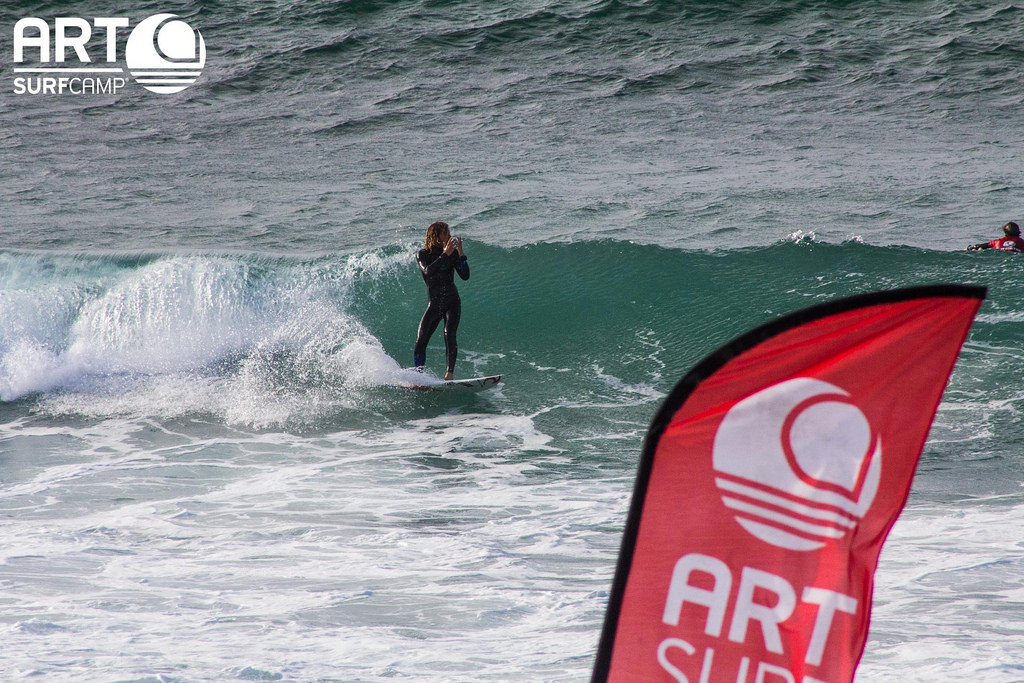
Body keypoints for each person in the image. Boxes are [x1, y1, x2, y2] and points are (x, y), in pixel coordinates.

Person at [413, 221, 469, 380]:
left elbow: (465, 275)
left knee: (449, 335)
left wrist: (459, 252)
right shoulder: (422, 254)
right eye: (446, 233)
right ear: (436, 236)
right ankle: (419, 376)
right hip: (435, 303)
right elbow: (428, 271)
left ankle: (449, 374)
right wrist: (445, 254)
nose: (449, 236)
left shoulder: (451, 255)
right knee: (421, 341)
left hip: (452, 301)